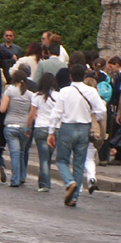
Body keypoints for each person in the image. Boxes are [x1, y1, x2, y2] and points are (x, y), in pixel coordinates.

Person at [49, 62, 107, 207]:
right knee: (79, 163)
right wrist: (96, 119)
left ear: (70, 76)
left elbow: (56, 113)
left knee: (62, 160)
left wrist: (51, 131)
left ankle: (69, 182)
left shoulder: (64, 91)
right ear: (84, 75)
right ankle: (74, 197)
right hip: (84, 128)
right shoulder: (91, 91)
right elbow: (102, 110)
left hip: (67, 127)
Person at [0, 69, 34, 187]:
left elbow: (2, 109)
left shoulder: (9, 91)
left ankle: (15, 179)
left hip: (11, 125)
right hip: (24, 126)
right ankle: (22, 176)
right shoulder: (30, 94)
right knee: (22, 152)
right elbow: (32, 112)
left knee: (14, 154)